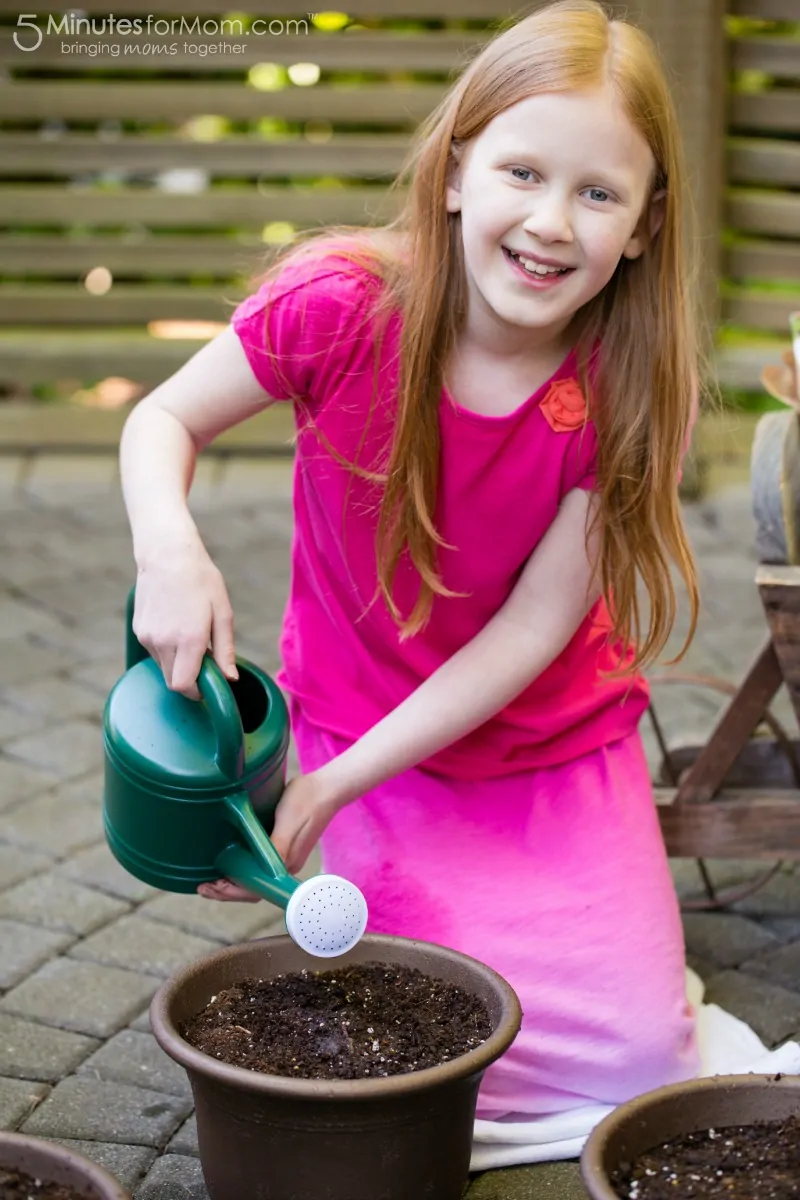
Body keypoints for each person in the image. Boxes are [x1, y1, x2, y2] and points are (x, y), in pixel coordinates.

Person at [120, 0, 703, 1119]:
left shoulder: (628, 391)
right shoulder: (338, 307)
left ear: (641, 224)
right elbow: (162, 422)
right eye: (521, 172)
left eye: (596, 193)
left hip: (546, 749)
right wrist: (170, 547)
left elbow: (534, 631)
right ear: (452, 171)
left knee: (636, 1070)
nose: (548, 223)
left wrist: (325, 789)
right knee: (385, 1033)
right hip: (366, 727)